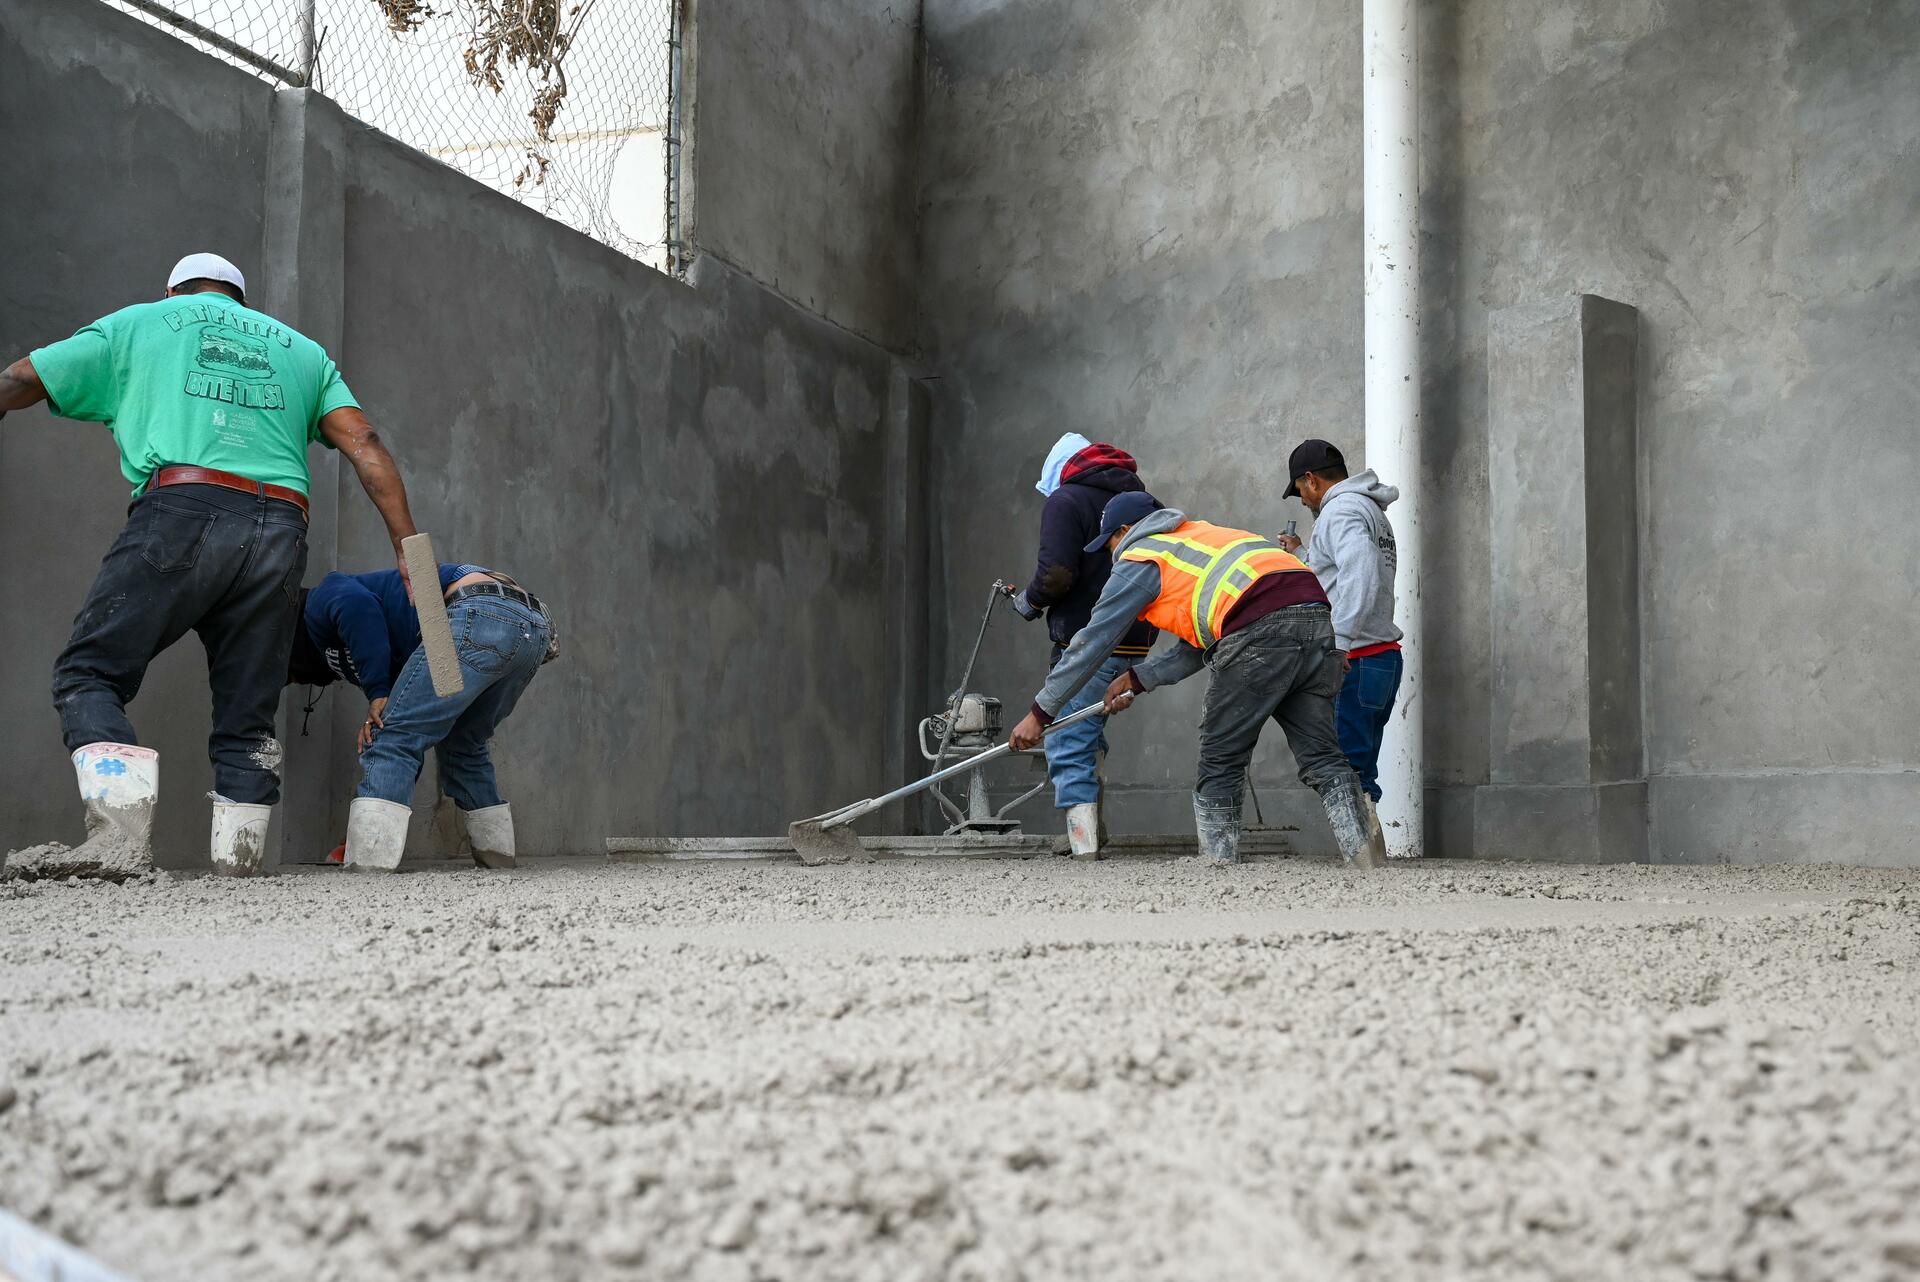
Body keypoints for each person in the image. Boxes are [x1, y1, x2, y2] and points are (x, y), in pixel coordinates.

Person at [0, 253, 418, 879]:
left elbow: (19, 379)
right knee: (248, 713)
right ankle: (238, 865)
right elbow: (367, 444)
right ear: (241, 302)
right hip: (282, 528)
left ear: (174, 290)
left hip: (181, 509)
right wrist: (410, 553)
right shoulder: (303, 352)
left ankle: (119, 836)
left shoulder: (141, 322)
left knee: (89, 672)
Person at [1007, 492, 1386, 868]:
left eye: (1109, 543)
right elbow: (1205, 642)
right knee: (1322, 755)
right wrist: (1139, 678)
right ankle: (1364, 860)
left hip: (1261, 629)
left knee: (1221, 756)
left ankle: (1218, 864)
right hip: (1317, 620)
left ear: (1126, 530)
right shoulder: (1203, 539)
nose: (1111, 554)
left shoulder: (1141, 556)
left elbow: (1090, 644)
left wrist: (1040, 714)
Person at [289, 562, 556, 872]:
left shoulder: (321, 596)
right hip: (530, 626)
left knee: (390, 735)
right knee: (463, 744)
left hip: (474, 609)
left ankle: (367, 862)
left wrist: (377, 692)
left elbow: (356, 606)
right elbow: (410, 740)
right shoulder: (391, 634)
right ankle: (497, 858)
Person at [1008, 433, 1157, 856]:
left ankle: (1083, 844)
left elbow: (1057, 573)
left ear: (1062, 469)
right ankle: (1093, 830)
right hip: (1139, 638)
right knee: (1088, 734)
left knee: (1067, 737)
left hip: (1088, 639)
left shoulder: (1066, 500)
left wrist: (1031, 601)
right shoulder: (1144, 501)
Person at [1277, 439, 1402, 803]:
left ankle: (1361, 855)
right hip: (1379, 657)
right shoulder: (1368, 510)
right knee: (1359, 766)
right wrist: (1302, 553)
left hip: (1356, 658)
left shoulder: (1340, 511)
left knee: (1344, 768)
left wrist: (1341, 644)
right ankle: (1366, 853)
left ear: (1312, 479)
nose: (1302, 500)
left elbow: (1360, 571)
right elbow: (1341, 572)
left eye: (1300, 489)